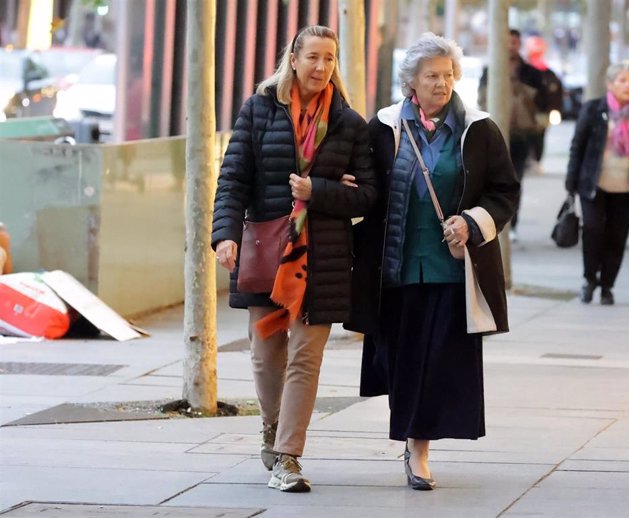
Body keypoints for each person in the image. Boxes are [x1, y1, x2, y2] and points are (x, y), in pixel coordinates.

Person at [349, 33, 519, 491]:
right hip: (396, 269)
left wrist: (470, 221)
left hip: (452, 270)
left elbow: (504, 192)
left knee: (439, 359)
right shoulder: (383, 129)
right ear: (411, 83)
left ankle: (419, 447)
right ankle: (412, 439)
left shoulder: (479, 129)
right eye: (432, 76)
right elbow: (364, 186)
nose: (442, 84)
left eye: (447, 75)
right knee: (404, 358)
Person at [211, 25, 376, 493]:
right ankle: (271, 424)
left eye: (330, 59)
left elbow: (369, 196)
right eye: (314, 58)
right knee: (267, 356)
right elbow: (233, 180)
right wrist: (224, 237)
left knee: (306, 357)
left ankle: (288, 456)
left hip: (321, 258)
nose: (322, 68)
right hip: (265, 250)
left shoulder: (349, 122)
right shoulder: (260, 109)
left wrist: (318, 191)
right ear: (294, 59)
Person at [565, 61, 629, 305]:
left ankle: (607, 285)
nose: (628, 85)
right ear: (610, 84)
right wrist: (571, 182)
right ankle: (589, 279)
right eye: (622, 80)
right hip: (594, 185)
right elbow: (578, 147)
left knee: (617, 237)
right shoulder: (593, 110)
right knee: (593, 230)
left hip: (626, 187)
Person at [478, 29, 547, 242]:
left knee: (515, 180)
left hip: (520, 135)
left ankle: (512, 225)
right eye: (507, 42)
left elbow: (540, 102)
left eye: (515, 42)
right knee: (490, 181)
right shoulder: (491, 69)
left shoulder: (530, 72)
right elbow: (481, 96)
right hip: (494, 131)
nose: (511, 46)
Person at [525, 34, 564, 173]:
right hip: (526, 113)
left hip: (543, 113)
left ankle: (536, 159)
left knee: (539, 137)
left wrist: (555, 110)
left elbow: (556, 94)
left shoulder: (549, 74)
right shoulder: (524, 72)